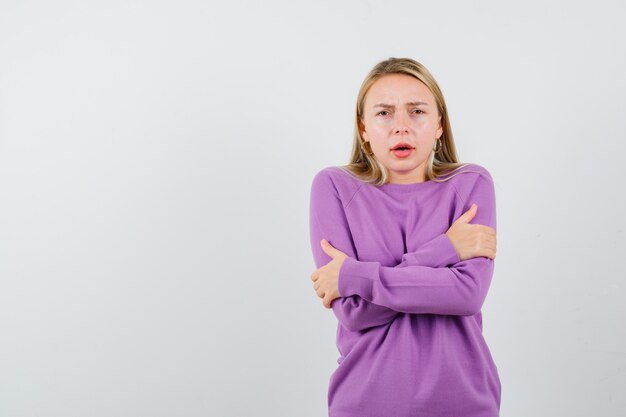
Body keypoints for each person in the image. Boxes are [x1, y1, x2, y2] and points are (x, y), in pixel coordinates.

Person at [308, 57, 501, 417]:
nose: (401, 127)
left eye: (417, 111)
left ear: (439, 125)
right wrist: (446, 249)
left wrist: (355, 275)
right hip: (363, 404)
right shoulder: (333, 187)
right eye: (384, 113)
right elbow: (354, 312)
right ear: (363, 128)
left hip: (464, 404)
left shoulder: (471, 184)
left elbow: (466, 294)